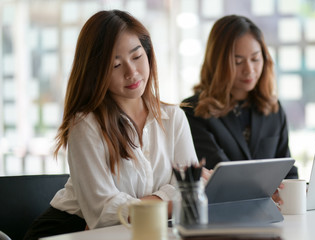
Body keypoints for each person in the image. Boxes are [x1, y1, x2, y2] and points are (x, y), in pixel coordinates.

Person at [24, 10, 200, 239]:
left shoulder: (173, 117)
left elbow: (191, 194)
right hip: (72, 230)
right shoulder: (85, 125)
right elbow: (104, 213)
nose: (131, 72)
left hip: (142, 231)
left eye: (137, 57)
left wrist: (148, 205)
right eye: (116, 65)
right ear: (96, 72)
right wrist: (169, 197)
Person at [181, 15, 298, 179]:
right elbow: (224, 177)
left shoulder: (273, 108)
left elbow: (288, 172)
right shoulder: (192, 112)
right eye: (237, 61)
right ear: (217, 63)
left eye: (255, 59)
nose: (249, 70)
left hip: (273, 204)